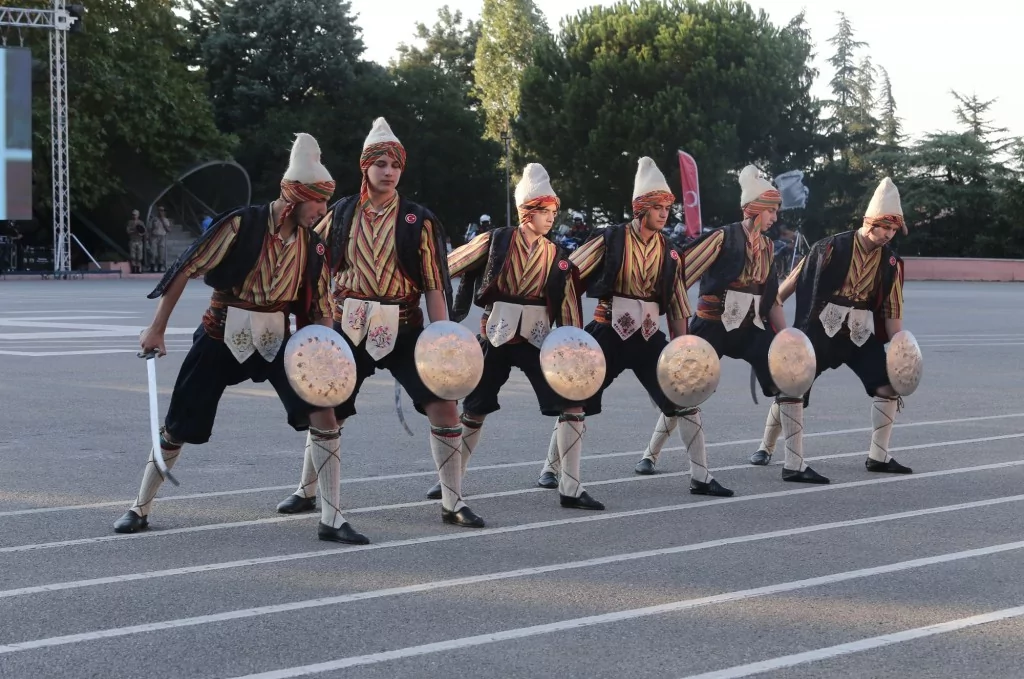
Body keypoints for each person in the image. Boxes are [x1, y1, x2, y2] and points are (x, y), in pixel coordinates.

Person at [112, 133, 368, 544]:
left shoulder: (313, 247)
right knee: (179, 426)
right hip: (220, 334)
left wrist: (325, 355)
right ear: (294, 197)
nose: (322, 211)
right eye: (317, 202)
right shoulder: (240, 224)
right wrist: (156, 328)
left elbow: (320, 305)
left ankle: (333, 518)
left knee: (325, 412)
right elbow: (186, 267)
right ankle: (139, 508)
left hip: (277, 339)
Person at [274, 117, 485, 528]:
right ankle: (307, 490)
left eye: (395, 165)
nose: (389, 172)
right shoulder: (340, 212)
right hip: (347, 323)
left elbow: (434, 283)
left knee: (444, 406)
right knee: (326, 404)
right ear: (365, 166)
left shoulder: (417, 219)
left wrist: (440, 340)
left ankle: (452, 501)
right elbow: (308, 258)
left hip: (404, 325)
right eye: (381, 163)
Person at [536, 157, 733, 497]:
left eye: (667, 208)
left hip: (647, 337)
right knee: (577, 401)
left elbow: (674, 302)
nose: (664, 213)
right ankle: (553, 470)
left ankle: (701, 476)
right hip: (607, 331)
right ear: (641, 208)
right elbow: (568, 271)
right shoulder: (611, 238)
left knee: (683, 396)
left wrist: (682, 347)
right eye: (657, 207)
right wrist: (573, 329)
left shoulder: (670, 252)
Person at [632, 165, 829, 484]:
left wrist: (785, 338)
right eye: (772, 212)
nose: (776, 218)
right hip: (712, 325)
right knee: (684, 388)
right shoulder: (722, 237)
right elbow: (681, 276)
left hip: (751, 327)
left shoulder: (766, 247)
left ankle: (794, 464)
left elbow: (772, 298)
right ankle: (650, 453)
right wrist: (674, 327)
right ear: (756, 210)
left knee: (790, 380)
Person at [429, 163, 603, 510]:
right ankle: (450, 479)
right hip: (494, 338)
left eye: (554, 211)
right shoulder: (496, 241)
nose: (552, 217)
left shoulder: (556, 256)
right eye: (545, 211)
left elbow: (567, 303)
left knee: (571, 403)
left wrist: (572, 346)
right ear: (528, 212)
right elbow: (445, 264)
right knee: (474, 410)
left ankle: (570, 487)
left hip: (537, 341)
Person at [752, 177, 913, 475]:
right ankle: (770, 449)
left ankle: (878, 456)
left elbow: (892, 312)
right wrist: (774, 321)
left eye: (893, 229)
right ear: (870, 222)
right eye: (885, 227)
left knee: (888, 386)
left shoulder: (891, 263)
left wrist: (902, 352)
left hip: (859, 333)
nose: (889, 234)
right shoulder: (830, 248)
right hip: (820, 330)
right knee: (794, 387)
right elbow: (790, 284)